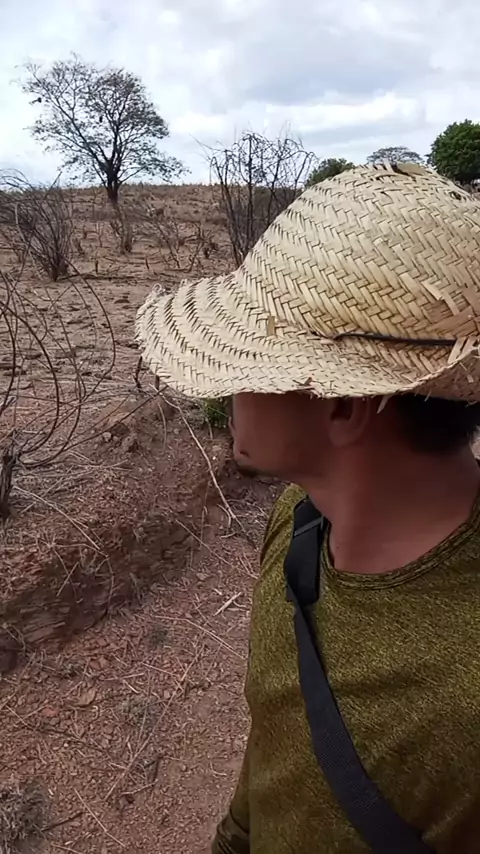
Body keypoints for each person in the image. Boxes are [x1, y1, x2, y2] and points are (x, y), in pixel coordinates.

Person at [136, 163, 480, 854]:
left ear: (343, 403)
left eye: (249, 363)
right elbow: (280, 737)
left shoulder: (463, 702)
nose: (229, 390)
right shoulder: (304, 519)